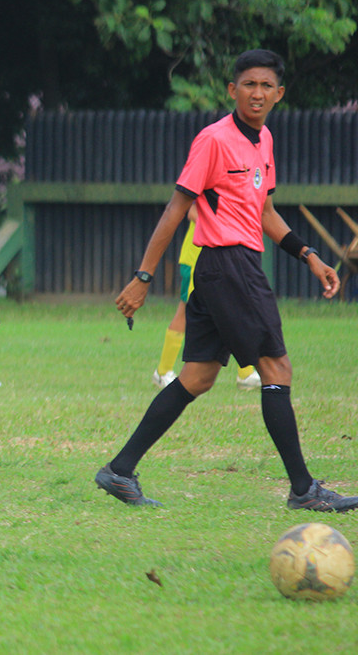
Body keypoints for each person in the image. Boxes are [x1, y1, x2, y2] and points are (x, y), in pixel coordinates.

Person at [97, 49, 357, 512]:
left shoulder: (264, 141)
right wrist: (143, 276)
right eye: (248, 84)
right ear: (231, 90)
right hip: (227, 266)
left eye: (266, 86)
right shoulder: (213, 140)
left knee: (196, 377)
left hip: (227, 270)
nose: (257, 93)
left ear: (279, 94)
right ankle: (304, 489)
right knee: (277, 370)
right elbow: (176, 209)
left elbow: (267, 214)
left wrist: (310, 256)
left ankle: (119, 470)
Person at [153, 206, 261, 390]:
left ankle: (246, 372)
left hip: (220, 257)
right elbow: (193, 212)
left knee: (233, 310)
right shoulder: (206, 180)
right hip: (196, 258)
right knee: (185, 312)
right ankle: (163, 371)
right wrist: (224, 225)